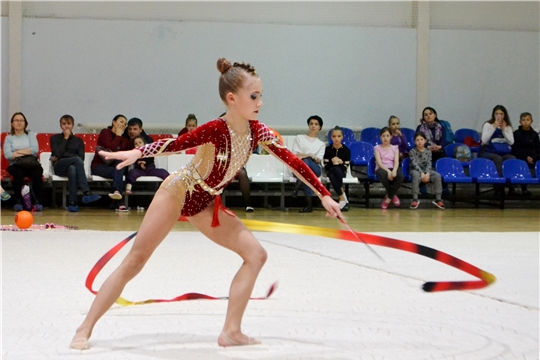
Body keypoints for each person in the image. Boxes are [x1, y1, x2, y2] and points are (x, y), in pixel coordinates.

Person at [70, 58, 342, 351]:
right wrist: (138, 152)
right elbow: (176, 143)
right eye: (254, 96)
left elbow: (292, 160)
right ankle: (84, 329)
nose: (260, 102)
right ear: (232, 99)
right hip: (179, 191)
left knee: (256, 255)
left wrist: (323, 193)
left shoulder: (258, 132)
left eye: (261, 95)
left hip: (205, 203)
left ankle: (231, 332)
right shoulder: (215, 128)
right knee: (135, 260)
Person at [49, 115, 101, 212]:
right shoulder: (54, 138)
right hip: (59, 166)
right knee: (76, 160)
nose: (66, 126)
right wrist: (65, 138)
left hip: (73, 165)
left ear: (72, 126)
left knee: (72, 168)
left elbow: (82, 158)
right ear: (60, 125)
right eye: (64, 124)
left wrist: (68, 157)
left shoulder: (78, 141)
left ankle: (72, 203)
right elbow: (58, 153)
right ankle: (86, 192)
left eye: (68, 124)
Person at [3, 112, 44, 212]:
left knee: (37, 172)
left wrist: (17, 152)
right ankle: (18, 201)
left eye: (21, 121)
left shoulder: (30, 135)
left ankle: (37, 201)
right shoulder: (9, 138)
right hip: (16, 164)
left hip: (31, 163)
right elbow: (8, 155)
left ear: (25, 123)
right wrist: (26, 151)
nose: (19, 123)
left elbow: (34, 150)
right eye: (16, 121)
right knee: (18, 173)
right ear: (12, 124)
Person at [91, 114, 131, 211]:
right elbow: (110, 149)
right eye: (121, 122)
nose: (123, 125)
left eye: (125, 124)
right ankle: (119, 202)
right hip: (99, 166)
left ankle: (116, 191)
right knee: (118, 171)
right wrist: (117, 136)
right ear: (113, 122)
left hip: (115, 168)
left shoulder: (125, 139)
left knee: (119, 165)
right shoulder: (105, 132)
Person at [291, 115, 325, 213]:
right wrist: (310, 155)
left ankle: (296, 187)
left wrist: (306, 157)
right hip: (298, 168)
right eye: (311, 124)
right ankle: (309, 206)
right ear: (308, 126)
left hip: (315, 169)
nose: (313, 126)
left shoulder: (321, 144)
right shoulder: (299, 138)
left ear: (320, 127)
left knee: (305, 164)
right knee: (306, 175)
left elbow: (318, 160)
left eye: (316, 124)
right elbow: (295, 155)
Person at [481, 105, 516, 195]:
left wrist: (504, 130)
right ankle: (499, 187)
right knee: (498, 159)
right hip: (488, 152)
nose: (499, 116)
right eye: (496, 114)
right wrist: (494, 127)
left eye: (501, 114)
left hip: (503, 151)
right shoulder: (488, 125)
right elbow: (484, 140)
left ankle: (511, 186)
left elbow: (511, 142)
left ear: (505, 115)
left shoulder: (507, 126)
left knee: (511, 158)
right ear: (493, 115)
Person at [408, 132, 445, 209]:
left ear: (425, 141)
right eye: (417, 140)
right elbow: (414, 163)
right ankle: (415, 199)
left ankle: (438, 199)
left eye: (421, 139)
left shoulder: (428, 151)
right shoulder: (412, 151)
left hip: (426, 170)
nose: (419, 141)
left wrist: (427, 173)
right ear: (415, 142)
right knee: (415, 175)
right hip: (415, 170)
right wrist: (421, 173)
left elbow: (429, 163)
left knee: (437, 176)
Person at [374, 127, 404, 209]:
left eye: (387, 135)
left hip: (392, 167)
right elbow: (379, 163)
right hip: (382, 168)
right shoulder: (377, 148)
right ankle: (392, 196)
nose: (385, 138)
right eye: (383, 136)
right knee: (382, 174)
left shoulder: (395, 148)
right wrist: (388, 171)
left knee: (400, 176)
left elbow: (396, 161)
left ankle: (388, 197)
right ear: (380, 137)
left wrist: (394, 171)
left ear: (391, 137)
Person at [512, 112, 539, 196]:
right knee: (522, 163)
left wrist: (533, 157)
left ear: (531, 121)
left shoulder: (534, 134)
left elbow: (538, 149)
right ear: (520, 122)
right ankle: (524, 189)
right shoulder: (516, 134)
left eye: (528, 120)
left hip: (533, 157)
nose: (525, 122)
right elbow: (516, 148)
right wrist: (526, 157)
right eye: (523, 120)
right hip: (521, 156)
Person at [323, 126, 351, 211]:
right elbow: (326, 165)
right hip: (330, 170)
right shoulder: (327, 149)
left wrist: (340, 162)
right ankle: (343, 199)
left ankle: (342, 199)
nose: (336, 138)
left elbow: (346, 166)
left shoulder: (346, 150)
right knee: (333, 170)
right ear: (331, 137)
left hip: (341, 172)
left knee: (333, 174)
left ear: (342, 137)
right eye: (334, 136)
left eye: (339, 136)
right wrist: (332, 162)